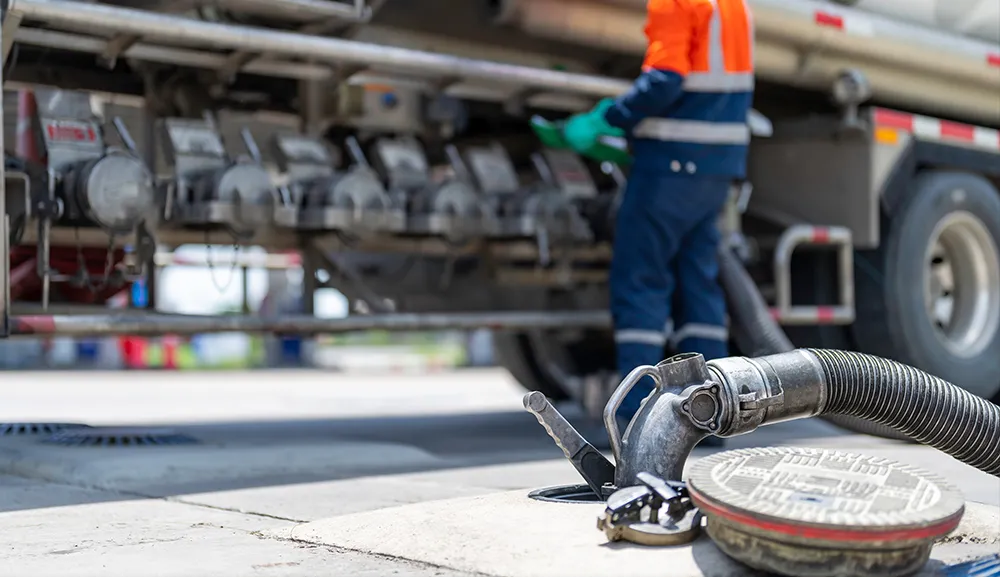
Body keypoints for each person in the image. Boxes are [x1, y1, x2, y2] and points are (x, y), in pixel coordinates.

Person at [561, 0, 755, 432]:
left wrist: (609, 116)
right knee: (699, 288)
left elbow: (665, 80)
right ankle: (712, 417)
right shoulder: (733, 6)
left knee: (641, 282)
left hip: (670, 167)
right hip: (715, 170)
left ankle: (638, 420)